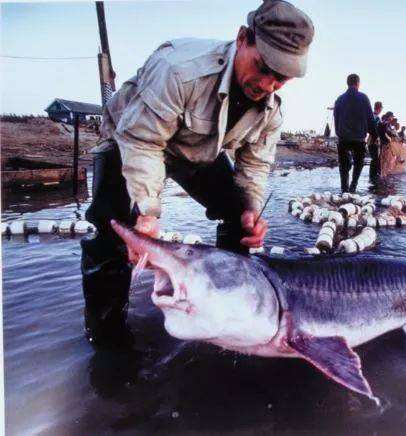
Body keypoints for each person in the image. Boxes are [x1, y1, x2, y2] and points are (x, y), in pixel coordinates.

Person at [81, 0, 315, 348]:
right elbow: (142, 140)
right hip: (129, 140)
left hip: (195, 149)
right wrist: (147, 212)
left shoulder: (271, 112)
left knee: (239, 218)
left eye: (280, 78)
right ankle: (106, 336)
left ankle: (228, 312)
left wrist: (250, 209)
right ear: (242, 39)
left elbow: (254, 166)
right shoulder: (178, 69)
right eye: (263, 67)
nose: (267, 84)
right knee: (113, 234)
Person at [333, 73, 375, 193]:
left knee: (343, 166)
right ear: (358, 84)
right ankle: (353, 187)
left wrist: (339, 132)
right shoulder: (363, 98)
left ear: (347, 83)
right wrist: (374, 134)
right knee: (358, 163)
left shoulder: (340, 99)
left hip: (343, 138)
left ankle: (344, 190)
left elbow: (336, 118)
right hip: (359, 139)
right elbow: (370, 118)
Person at [367, 101, 383, 182]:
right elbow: (374, 130)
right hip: (373, 140)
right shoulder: (376, 117)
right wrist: (376, 137)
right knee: (375, 159)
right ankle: (372, 177)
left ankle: (373, 176)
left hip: (371, 140)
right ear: (379, 108)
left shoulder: (372, 116)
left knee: (375, 159)